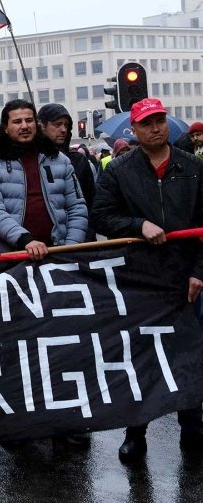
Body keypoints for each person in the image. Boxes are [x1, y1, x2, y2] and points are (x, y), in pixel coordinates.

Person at [90, 98, 203, 462]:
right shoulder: (118, 170)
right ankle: (135, 431)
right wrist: (137, 225)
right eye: (147, 123)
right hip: (140, 279)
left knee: (191, 352)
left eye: (159, 120)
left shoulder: (194, 167)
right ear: (134, 130)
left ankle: (193, 427)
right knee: (141, 355)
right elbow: (102, 217)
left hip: (186, 275)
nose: (155, 128)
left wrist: (199, 272)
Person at [0, 100, 88, 259]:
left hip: (60, 254)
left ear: (37, 124)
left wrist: (71, 247)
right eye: (17, 121)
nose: (24, 126)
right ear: (5, 128)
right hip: (11, 257)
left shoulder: (60, 160)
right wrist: (25, 241)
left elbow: (77, 208)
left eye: (29, 120)